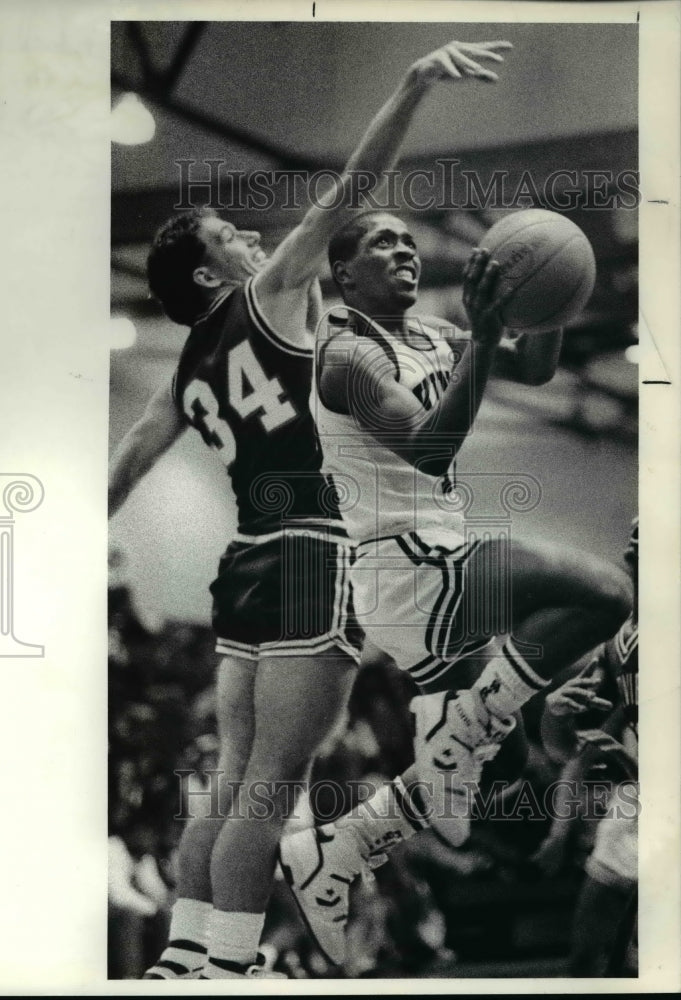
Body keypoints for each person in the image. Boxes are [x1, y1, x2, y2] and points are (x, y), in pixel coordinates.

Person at [108, 40, 516, 980]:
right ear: (214, 278)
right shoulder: (267, 298)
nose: (252, 242)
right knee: (271, 787)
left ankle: (183, 958)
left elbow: (128, 462)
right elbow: (351, 188)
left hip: (247, 554)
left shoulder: (185, 369)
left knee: (232, 777)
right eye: (232, 241)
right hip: (314, 546)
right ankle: (234, 965)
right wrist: (411, 85)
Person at [278, 212, 632, 965]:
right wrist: (482, 328)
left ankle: (339, 849)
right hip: (405, 566)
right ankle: (457, 728)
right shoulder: (344, 356)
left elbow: (533, 370)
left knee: (478, 794)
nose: (403, 249)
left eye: (409, 240)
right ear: (344, 275)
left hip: (428, 565)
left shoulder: (430, 337)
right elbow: (432, 447)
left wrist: (547, 305)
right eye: (382, 243)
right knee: (604, 592)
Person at [534, 518, 638, 976]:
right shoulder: (620, 646)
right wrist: (555, 711)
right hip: (641, 803)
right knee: (585, 961)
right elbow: (570, 751)